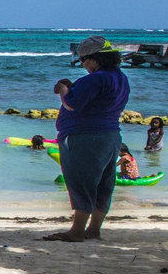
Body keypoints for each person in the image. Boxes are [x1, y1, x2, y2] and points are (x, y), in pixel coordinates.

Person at [45, 36, 131, 243]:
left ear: (95, 59)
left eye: (83, 60)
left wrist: (64, 90)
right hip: (110, 135)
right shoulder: (120, 78)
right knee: (103, 183)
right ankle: (93, 229)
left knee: (80, 182)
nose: (82, 64)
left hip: (85, 135)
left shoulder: (95, 79)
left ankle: (76, 231)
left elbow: (72, 104)